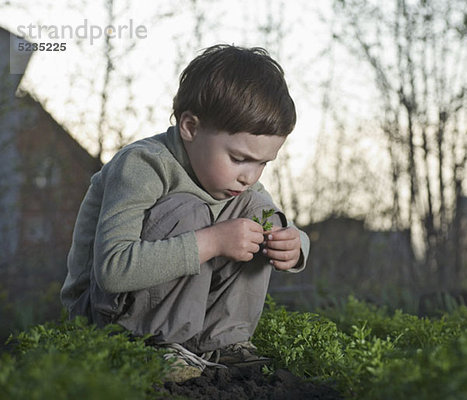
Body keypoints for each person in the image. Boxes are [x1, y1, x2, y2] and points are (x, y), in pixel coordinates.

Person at [60, 44, 310, 382]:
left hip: (181, 318)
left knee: (259, 211)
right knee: (189, 210)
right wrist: (213, 241)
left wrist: (295, 246)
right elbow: (112, 270)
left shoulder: (241, 187)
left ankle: (225, 342)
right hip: (105, 312)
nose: (249, 176)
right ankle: (153, 346)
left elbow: (279, 223)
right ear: (190, 127)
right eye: (238, 158)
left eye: (263, 162)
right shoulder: (143, 166)